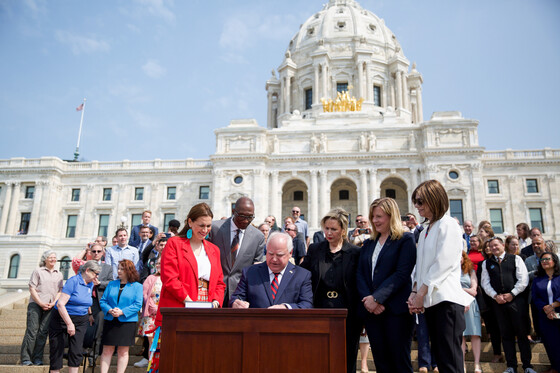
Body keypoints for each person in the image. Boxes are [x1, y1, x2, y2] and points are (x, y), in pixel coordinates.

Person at [407, 180, 472, 373]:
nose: (417, 207)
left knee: (450, 359)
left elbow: (442, 263)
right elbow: (421, 266)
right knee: (442, 360)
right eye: (416, 202)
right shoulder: (425, 230)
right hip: (431, 302)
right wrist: (414, 291)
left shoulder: (449, 224)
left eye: (420, 202)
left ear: (433, 199)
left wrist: (421, 293)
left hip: (447, 301)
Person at [357, 198, 417, 373]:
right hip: (372, 313)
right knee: (381, 363)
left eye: (379, 216)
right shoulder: (368, 243)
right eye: (373, 216)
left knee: (400, 362)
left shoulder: (405, 239)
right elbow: (360, 273)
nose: (375, 221)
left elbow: (401, 274)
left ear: (392, 216)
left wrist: (377, 298)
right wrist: (369, 301)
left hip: (396, 311)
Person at [302, 208, 362, 373]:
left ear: (343, 231)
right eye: (326, 228)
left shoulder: (355, 253)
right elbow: (302, 273)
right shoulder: (315, 249)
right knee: (320, 356)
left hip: (348, 312)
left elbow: (360, 283)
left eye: (333, 229)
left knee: (347, 357)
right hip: (320, 309)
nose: (328, 232)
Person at [155, 202, 226, 325]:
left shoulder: (214, 249)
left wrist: (216, 302)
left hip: (207, 306)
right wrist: (190, 303)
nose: (205, 230)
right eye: (201, 225)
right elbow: (170, 279)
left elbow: (220, 282)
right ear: (190, 222)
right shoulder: (174, 243)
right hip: (180, 304)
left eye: (209, 226)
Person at [481, 237, 536, 373]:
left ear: (502, 245)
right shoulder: (486, 263)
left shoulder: (515, 259)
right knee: (506, 335)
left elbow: (523, 279)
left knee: (522, 334)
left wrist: (512, 293)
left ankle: (527, 366)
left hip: (516, 302)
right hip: (498, 303)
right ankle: (511, 366)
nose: (494, 248)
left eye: (496, 245)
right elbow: (485, 283)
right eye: (491, 246)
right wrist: (495, 296)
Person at [230, 232, 313, 309]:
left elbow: (307, 304)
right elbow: (237, 297)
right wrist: (236, 303)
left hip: (288, 323)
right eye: (270, 253)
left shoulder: (302, 275)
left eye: (279, 255)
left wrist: (286, 307)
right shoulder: (250, 272)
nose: (274, 259)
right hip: (256, 323)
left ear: (290, 253)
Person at [208, 197, 264, 304]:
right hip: (214, 292)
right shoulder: (215, 229)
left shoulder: (258, 237)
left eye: (250, 217)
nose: (246, 220)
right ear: (233, 211)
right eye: (242, 216)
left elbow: (255, 269)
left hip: (240, 295)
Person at [48, 260, 101, 373]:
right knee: (57, 350)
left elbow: (86, 301)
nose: (97, 276)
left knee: (76, 350)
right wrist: (69, 323)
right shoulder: (73, 281)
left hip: (81, 318)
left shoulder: (90, 283)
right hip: (61, 317)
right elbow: (60, 304)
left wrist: (90, 314)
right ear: (87, 271)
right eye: (96, 273)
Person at [99, 260, 143, 373]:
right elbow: (103, 301)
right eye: (118, 268)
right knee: (107, 350)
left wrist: (122, 312)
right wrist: (110, 310)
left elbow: (137, 304)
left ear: (129, 270)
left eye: (122, 269)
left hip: (127, 321)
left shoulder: (137, 286)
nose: (118, 271)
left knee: (123, 351)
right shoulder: (111, 284)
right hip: (111, 320)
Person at [21, 250, 63, 366]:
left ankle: (37, 358)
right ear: (45, 259)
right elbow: (32, 288)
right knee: (32, 331)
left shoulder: (59, 274)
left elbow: (60, 291)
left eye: (54, 257)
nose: (53, 259)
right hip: (36, 304)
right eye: (50, 257)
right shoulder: (38, 271)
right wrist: (40, 303)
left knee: (43, 332)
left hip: (50, 305)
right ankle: (26, 358)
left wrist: (54, 303)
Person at [476, 234, 503, 364]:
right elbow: (482, 283)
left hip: (502, 299)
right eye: (486, 247)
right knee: (492, 328)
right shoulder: (482, 264)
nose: (488, 249)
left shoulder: (502, 261)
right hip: (488, 300)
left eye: (490, 246)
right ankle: (497, 353)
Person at [531, 252, 560, 373]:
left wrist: (553, 306)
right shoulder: (537, 280)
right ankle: (555, 367)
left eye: (547, 259)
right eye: (542, 260)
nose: (544, 261)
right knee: (550, 343)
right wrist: (545, 308)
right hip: (545, 316)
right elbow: (535, 297)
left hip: (558, 312)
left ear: (554, 261)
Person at [135, 257, 162, 368]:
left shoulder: (170, 278)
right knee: (152, 343)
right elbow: (145, 294)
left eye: (161, 263)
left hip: (164, 314)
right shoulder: (150, 278)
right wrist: (152, 307)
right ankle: (151, 365)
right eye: (157, 263)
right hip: (151, 315)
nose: (158, 265)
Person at [460, 251, 482, 373]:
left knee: (475, 334)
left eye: (461, 256)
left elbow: (474, 291)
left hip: (471, 304)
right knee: (461, 336)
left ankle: (477, 364)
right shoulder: (450, 271)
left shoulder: (470, 271)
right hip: (457, 305)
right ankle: (461, 364)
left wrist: (461, 289)